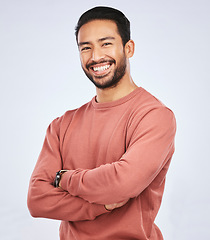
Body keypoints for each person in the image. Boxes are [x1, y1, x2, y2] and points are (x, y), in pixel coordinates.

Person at [27, 6, 176, 240]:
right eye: (86, 48)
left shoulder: (154, 116)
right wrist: (101, 206)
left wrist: (64, 178)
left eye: (106, 43)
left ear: (129, 48)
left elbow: (123, 184)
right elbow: (37, 200)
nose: (96, 57)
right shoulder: (61, 125)